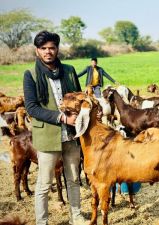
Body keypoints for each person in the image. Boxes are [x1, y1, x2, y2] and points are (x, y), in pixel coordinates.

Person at [23, 31, 89, 225]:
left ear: (57, 49)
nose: (48, 52)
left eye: (52, 47)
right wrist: (61, 117)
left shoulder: (68, 70)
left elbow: (79, 98)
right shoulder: (31, 74)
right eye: (43, 48)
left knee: (74, 179)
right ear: (37, 51)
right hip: (48, 136)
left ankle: (76, 216)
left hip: (71, 135)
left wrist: (80, 116)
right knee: (44, 184)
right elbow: (32, 108)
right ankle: (41, 221)